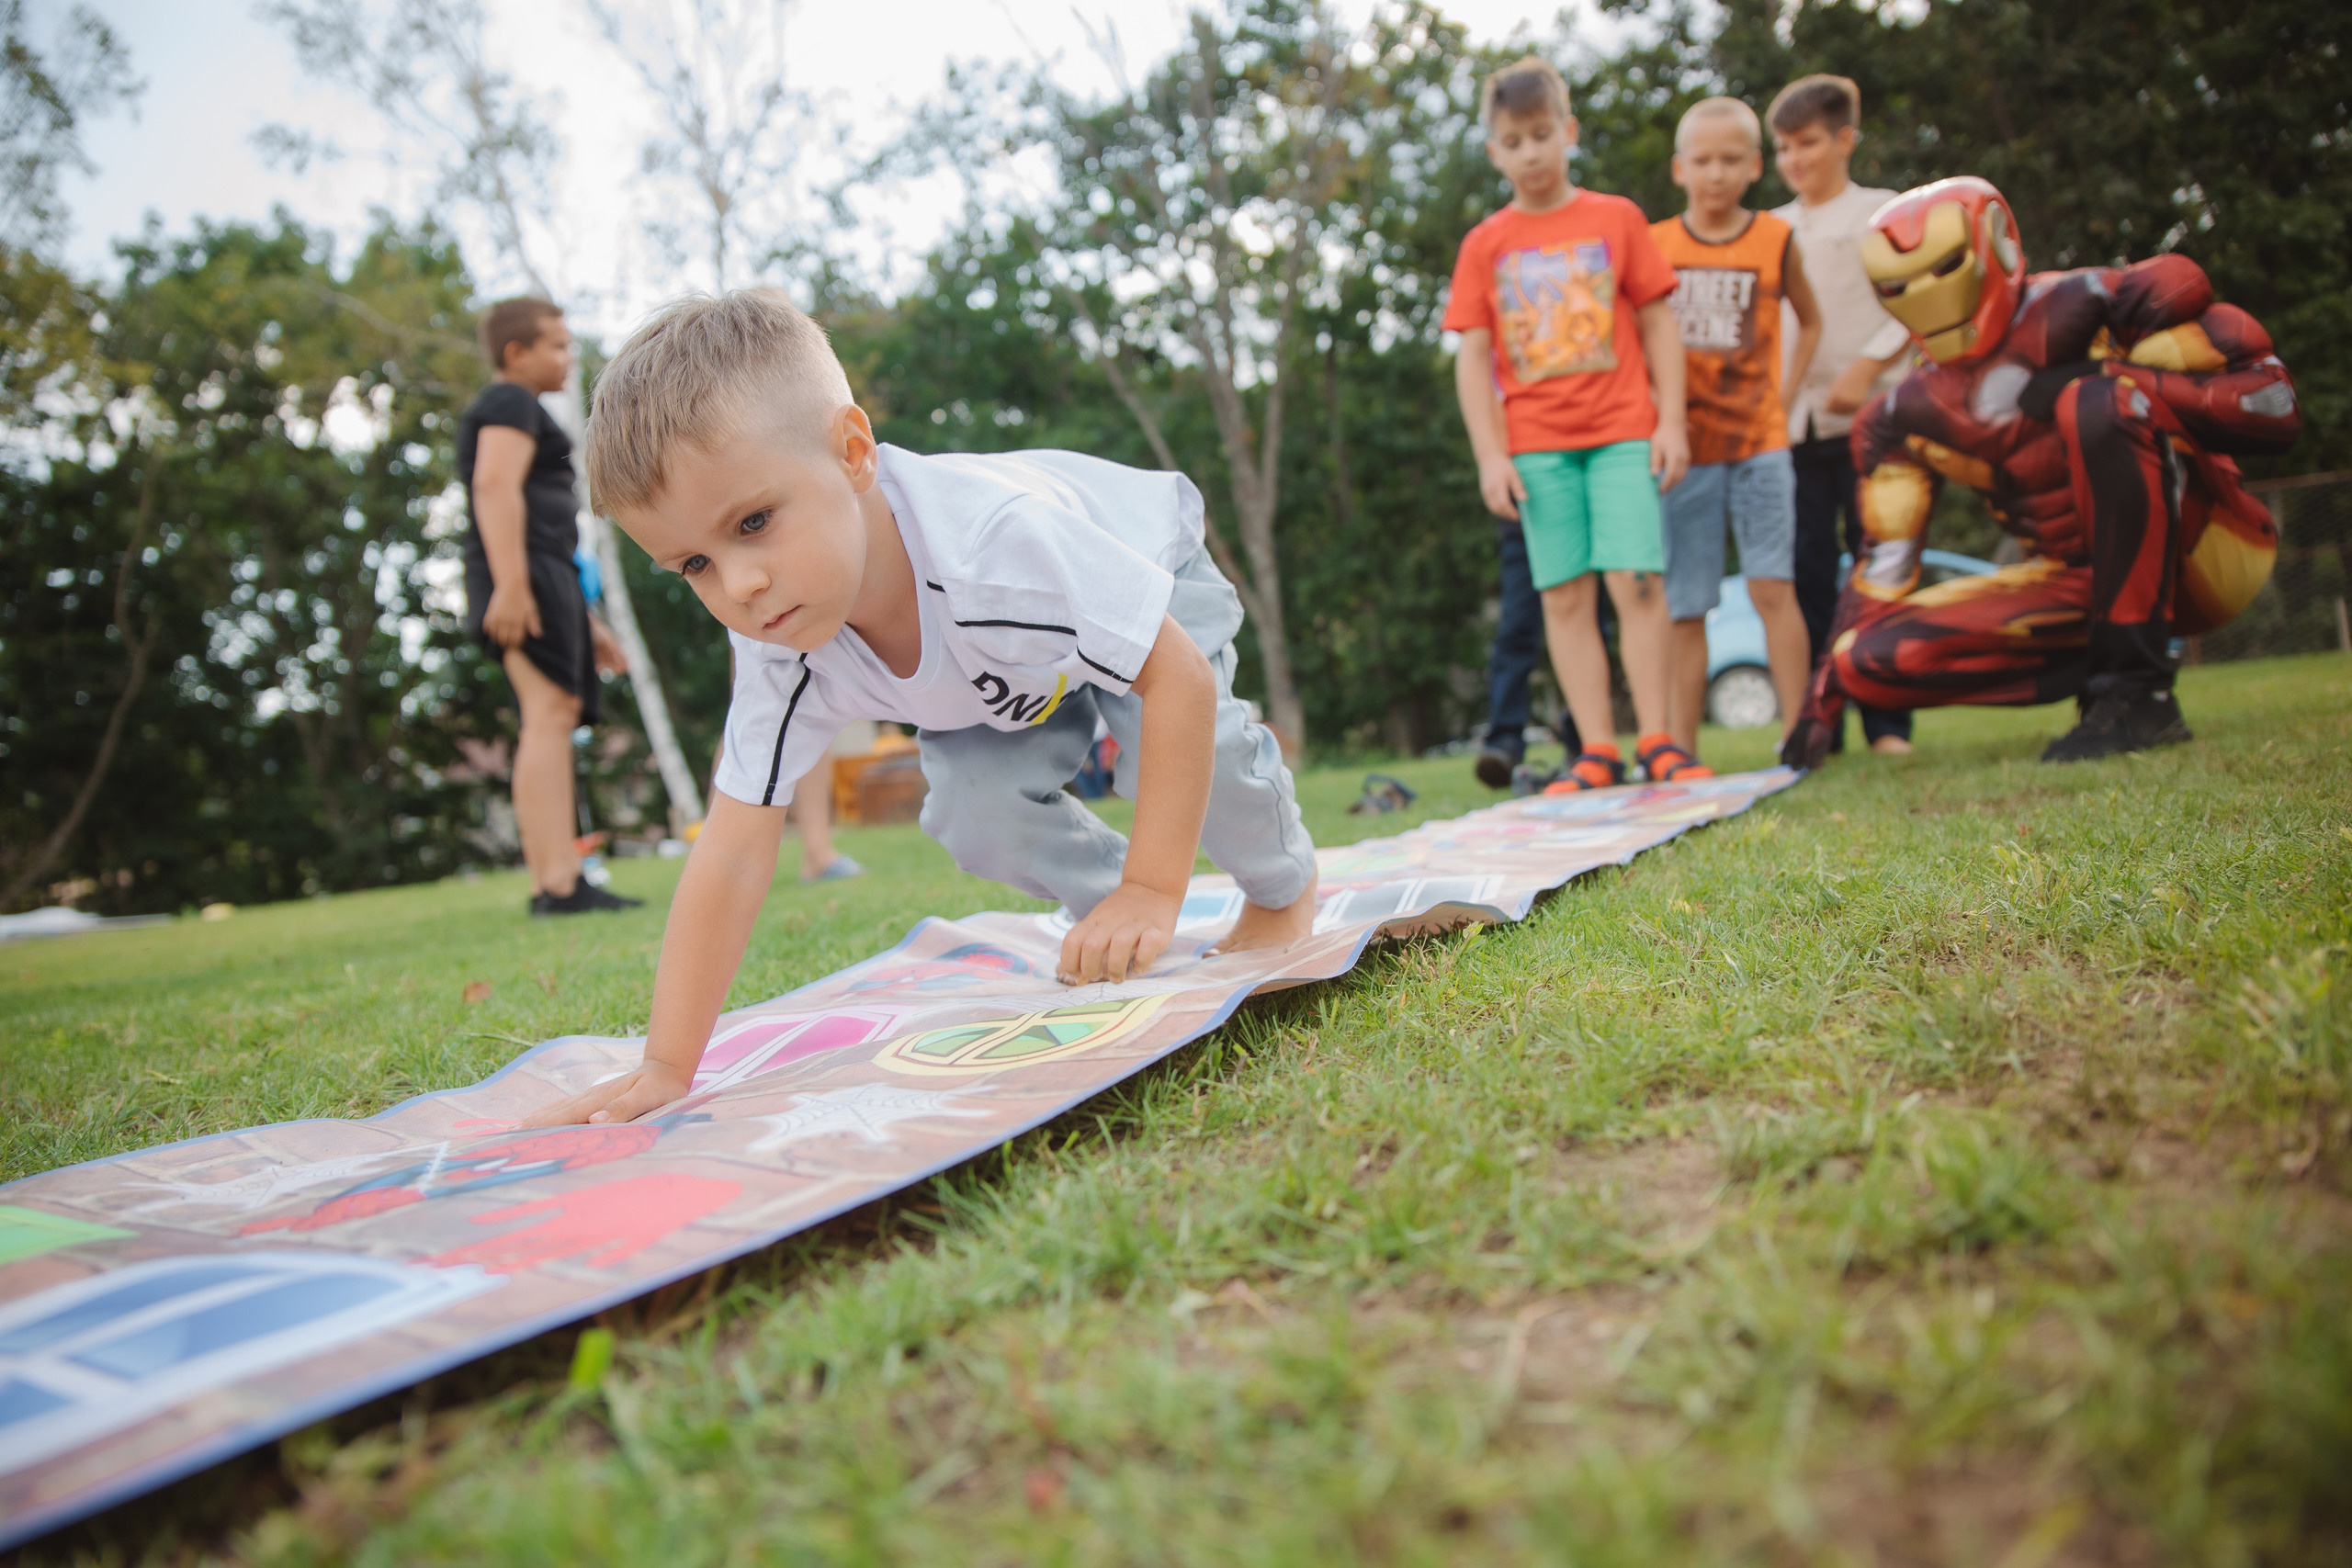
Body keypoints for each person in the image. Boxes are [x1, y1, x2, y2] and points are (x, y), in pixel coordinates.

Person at [525, 290, 1319, 1127]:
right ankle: (1117, 923)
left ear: (854, 451)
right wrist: (665, 1063)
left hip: (1137, 579)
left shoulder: (991, 547)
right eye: (693, 565)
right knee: (974, 812)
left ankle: (1279, 885)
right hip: (1007, 673)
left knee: (1190, 749)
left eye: (754, 521)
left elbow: (1179, 678)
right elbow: (731, 847)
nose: (741, 586)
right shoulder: (778, 644)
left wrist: (1157, 886)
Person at [1781, 175, 2300, 769]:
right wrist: (1818, 703)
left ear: (1996, 246)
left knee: (2096, 405)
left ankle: (2139, 693)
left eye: (1945, 265)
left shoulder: (2094, 301)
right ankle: (2108, 666)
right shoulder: (1906, 416)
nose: (1926, 293)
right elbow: (1882, 565)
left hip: (2208, 551)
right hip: (2072, 583)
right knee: (1863, 661)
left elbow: (2273, 404)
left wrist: (2107, 378)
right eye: (1900, 283)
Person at [1443, 55, 1699, 792]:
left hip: (1623, 431)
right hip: (1535, 446)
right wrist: (1491, 456)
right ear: (1495, 151)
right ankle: (1597, 750)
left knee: (1638, 582)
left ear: (1568, 132)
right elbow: (1473, 358)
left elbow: (1658, 325)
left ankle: (1659, 740)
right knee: (1562, 594)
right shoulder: (1485, 244)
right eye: (1514, 141)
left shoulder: (1616, 219)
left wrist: (1671, 421)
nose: (1530, 153)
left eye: (1542, 134)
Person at [1651, 96, 1823, 761]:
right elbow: (1638, 337)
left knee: (1772, 587)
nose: (1715, 174)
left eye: (1730, 160)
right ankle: (1681, 751)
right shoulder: (1658, 245)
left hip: (1760, 444)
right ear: (1679, 168)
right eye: (1702, 160)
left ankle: (1799, 735)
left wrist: (1786, 391)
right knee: (1686, 601)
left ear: (1755, 166)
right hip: (1685, 451)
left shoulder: (1775, 240)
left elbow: (1810, 320)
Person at [458, 298, 641, 917]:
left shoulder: (525, 408)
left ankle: (561, 876)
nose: (568, 357)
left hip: (546, 573)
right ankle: (558, 882)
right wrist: (511, 586)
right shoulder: (509, 401)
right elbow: (494, 486)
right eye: (557, 346)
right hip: (524, 573)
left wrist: (587, 625)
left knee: (555, 711)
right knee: (547, 712)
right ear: (517, 354)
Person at [1768, 74, 1918, 755]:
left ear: (1845, 140)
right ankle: (1819, 719)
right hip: (1793, 429)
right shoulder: (1772, 228)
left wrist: (1868, 365)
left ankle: (1889, 724)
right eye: (1783, 149)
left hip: (1874, 419)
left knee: (1877, 563)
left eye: (1807, 144)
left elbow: (1921, 300)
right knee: (1804, 571)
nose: (1794, 160)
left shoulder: (1884, 213)